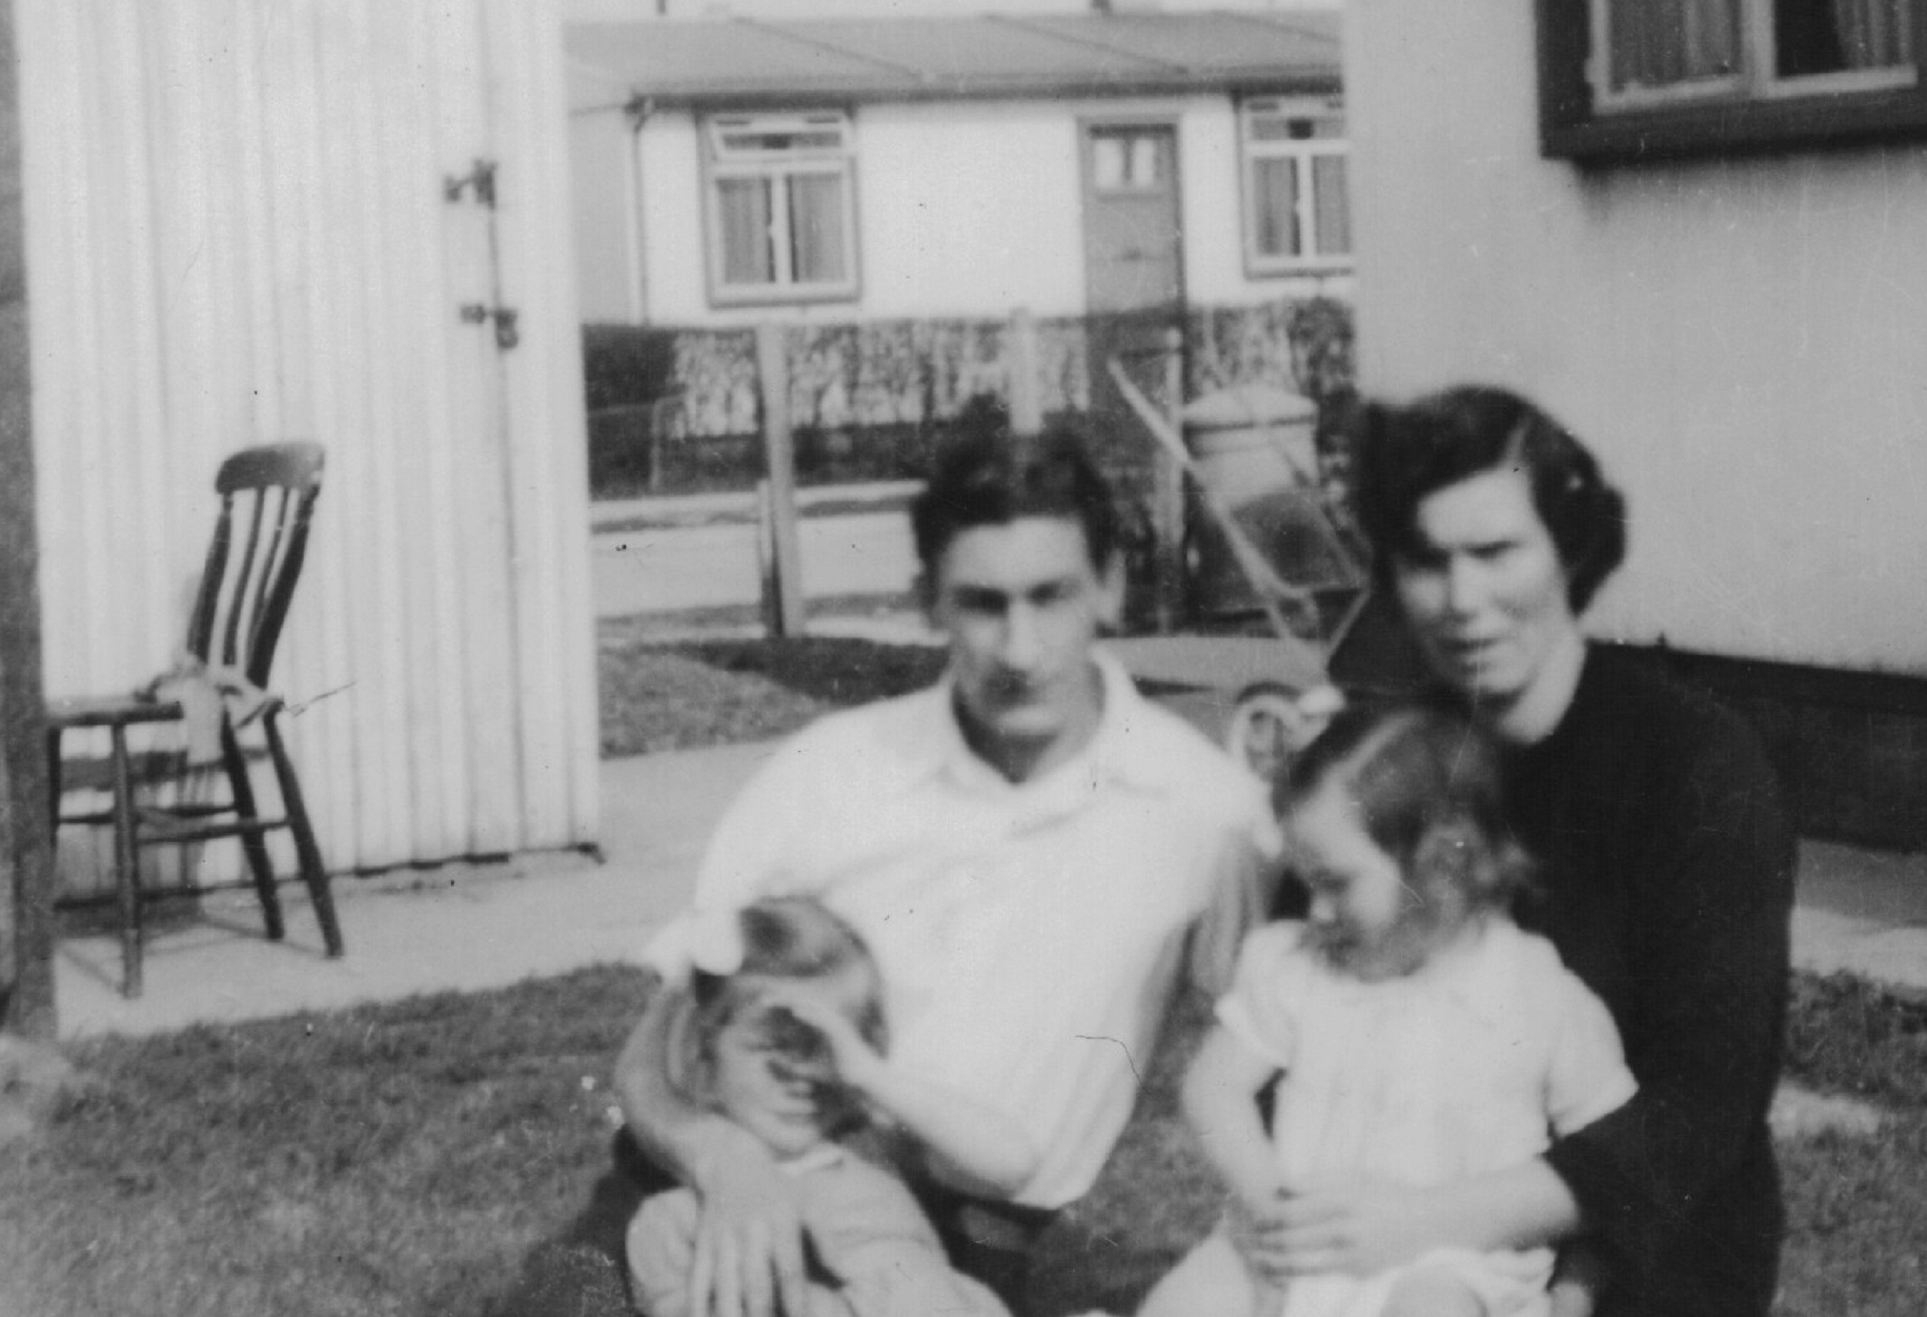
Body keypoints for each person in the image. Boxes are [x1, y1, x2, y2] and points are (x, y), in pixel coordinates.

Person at [526, 425, 1272, 1317]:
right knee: (568, 1302)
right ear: (929, 602)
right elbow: (657, 1049)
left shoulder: (1203, 808)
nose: (1021, 647)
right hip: (720, 1172)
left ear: (1110, 587)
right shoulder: (832, 769)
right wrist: (724, 1164)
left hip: (960, 1239)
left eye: (1051, 596)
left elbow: (1289, 1039)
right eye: (983, 603)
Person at [1245, 387, 1792, 1317]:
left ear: (1568, 550)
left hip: (1644, 1252)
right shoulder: (1379, 766)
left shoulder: (1692, 765)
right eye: (1425, 560)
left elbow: (1699, 1111)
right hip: (1382, 1266)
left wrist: (1431, 1221)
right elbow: (1295, 1033)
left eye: (1497, 552)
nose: (1464, 601)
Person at [1140, 703, 1636, 1317]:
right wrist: (1272, 1208)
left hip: (1450, 1264)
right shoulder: (1300, 968)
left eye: (1336, 883)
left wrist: (1575, 1294)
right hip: (1291, 1239)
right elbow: (1212, 1089)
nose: (1315, 911)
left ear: (1443, 864)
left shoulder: (1536, 996)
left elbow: (1617, 1162)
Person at [626, 896, 1032, 1317]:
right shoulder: (680, 1219)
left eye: (824, 1047)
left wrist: (867, 1072)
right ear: (704, 1057)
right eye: (772, 1047)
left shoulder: (872, 1148)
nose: (804, 1074)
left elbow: (1015, 1163)